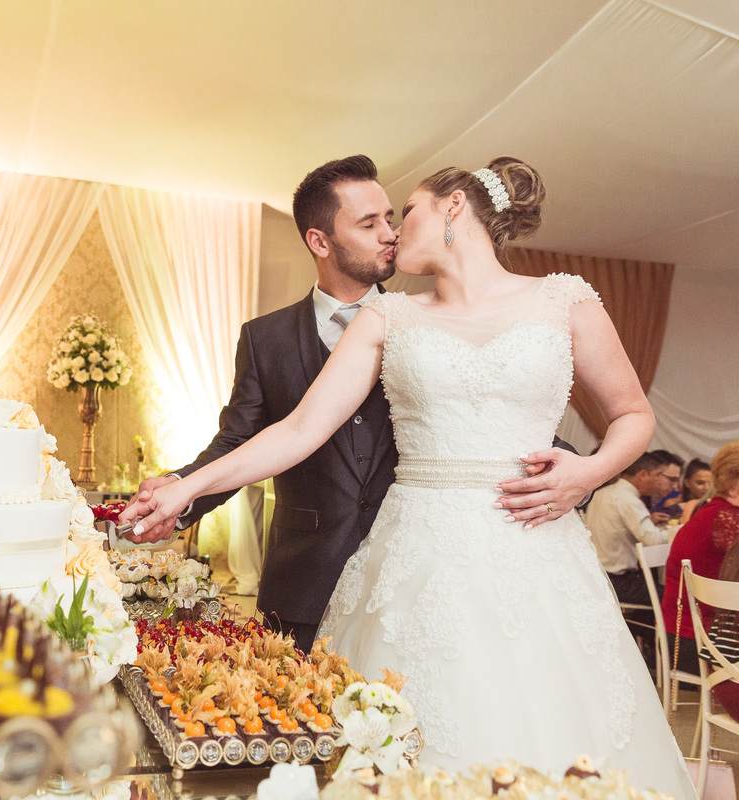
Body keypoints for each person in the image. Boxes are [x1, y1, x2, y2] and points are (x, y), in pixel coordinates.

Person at [122, 157, 695, 794]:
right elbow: (298, 429)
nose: (395, 232)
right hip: (416, 556)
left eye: (407, 211)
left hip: (535, 551)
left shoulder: (566, 300)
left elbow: (633, 414)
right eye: (379, 221)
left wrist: (588, 472)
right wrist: (185, 486)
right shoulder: (389, 317)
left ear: (454, 207)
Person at [125, 155, 566, 652]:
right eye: (369, 223)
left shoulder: (429, 323)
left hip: (413, 575)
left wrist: (576, 474)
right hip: (304, 581)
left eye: (391, 218)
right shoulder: (265, 338)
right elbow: (241, 439)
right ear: (320, 241)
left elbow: (499, 410)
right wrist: (181, 492)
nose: (390, 234)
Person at [661, 441, 739, 678]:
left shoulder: (711, 511)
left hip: (686, 635)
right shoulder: (728, 519)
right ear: (734, 486)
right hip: (701, 645)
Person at [584, 450, 683, 605]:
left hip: (597, 576)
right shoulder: (628, 499)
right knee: (679, 597)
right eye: (657, 475)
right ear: (643, 475)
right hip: (619, 582)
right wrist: (682, 530)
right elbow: (654, 540)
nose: (658, 480)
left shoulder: (601, 493)